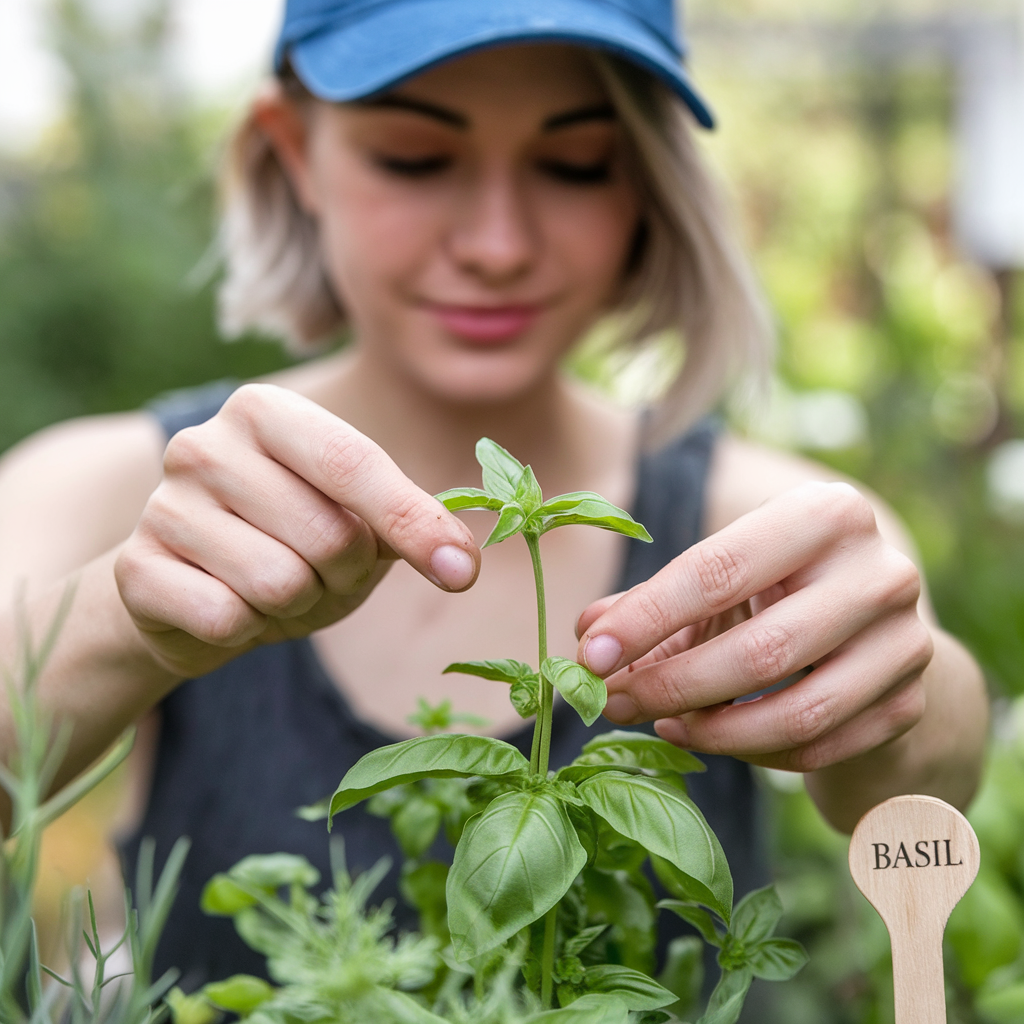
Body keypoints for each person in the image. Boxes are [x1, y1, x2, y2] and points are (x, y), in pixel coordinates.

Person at [0, 0, 986, 1000]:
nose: (497, 243)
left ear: (644, 178)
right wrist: (131, 619)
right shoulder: (115, 487)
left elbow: (916, 793)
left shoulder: (758, 514)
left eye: (574, 165)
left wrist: (908, 695)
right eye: (416, 159)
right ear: (293, 152)